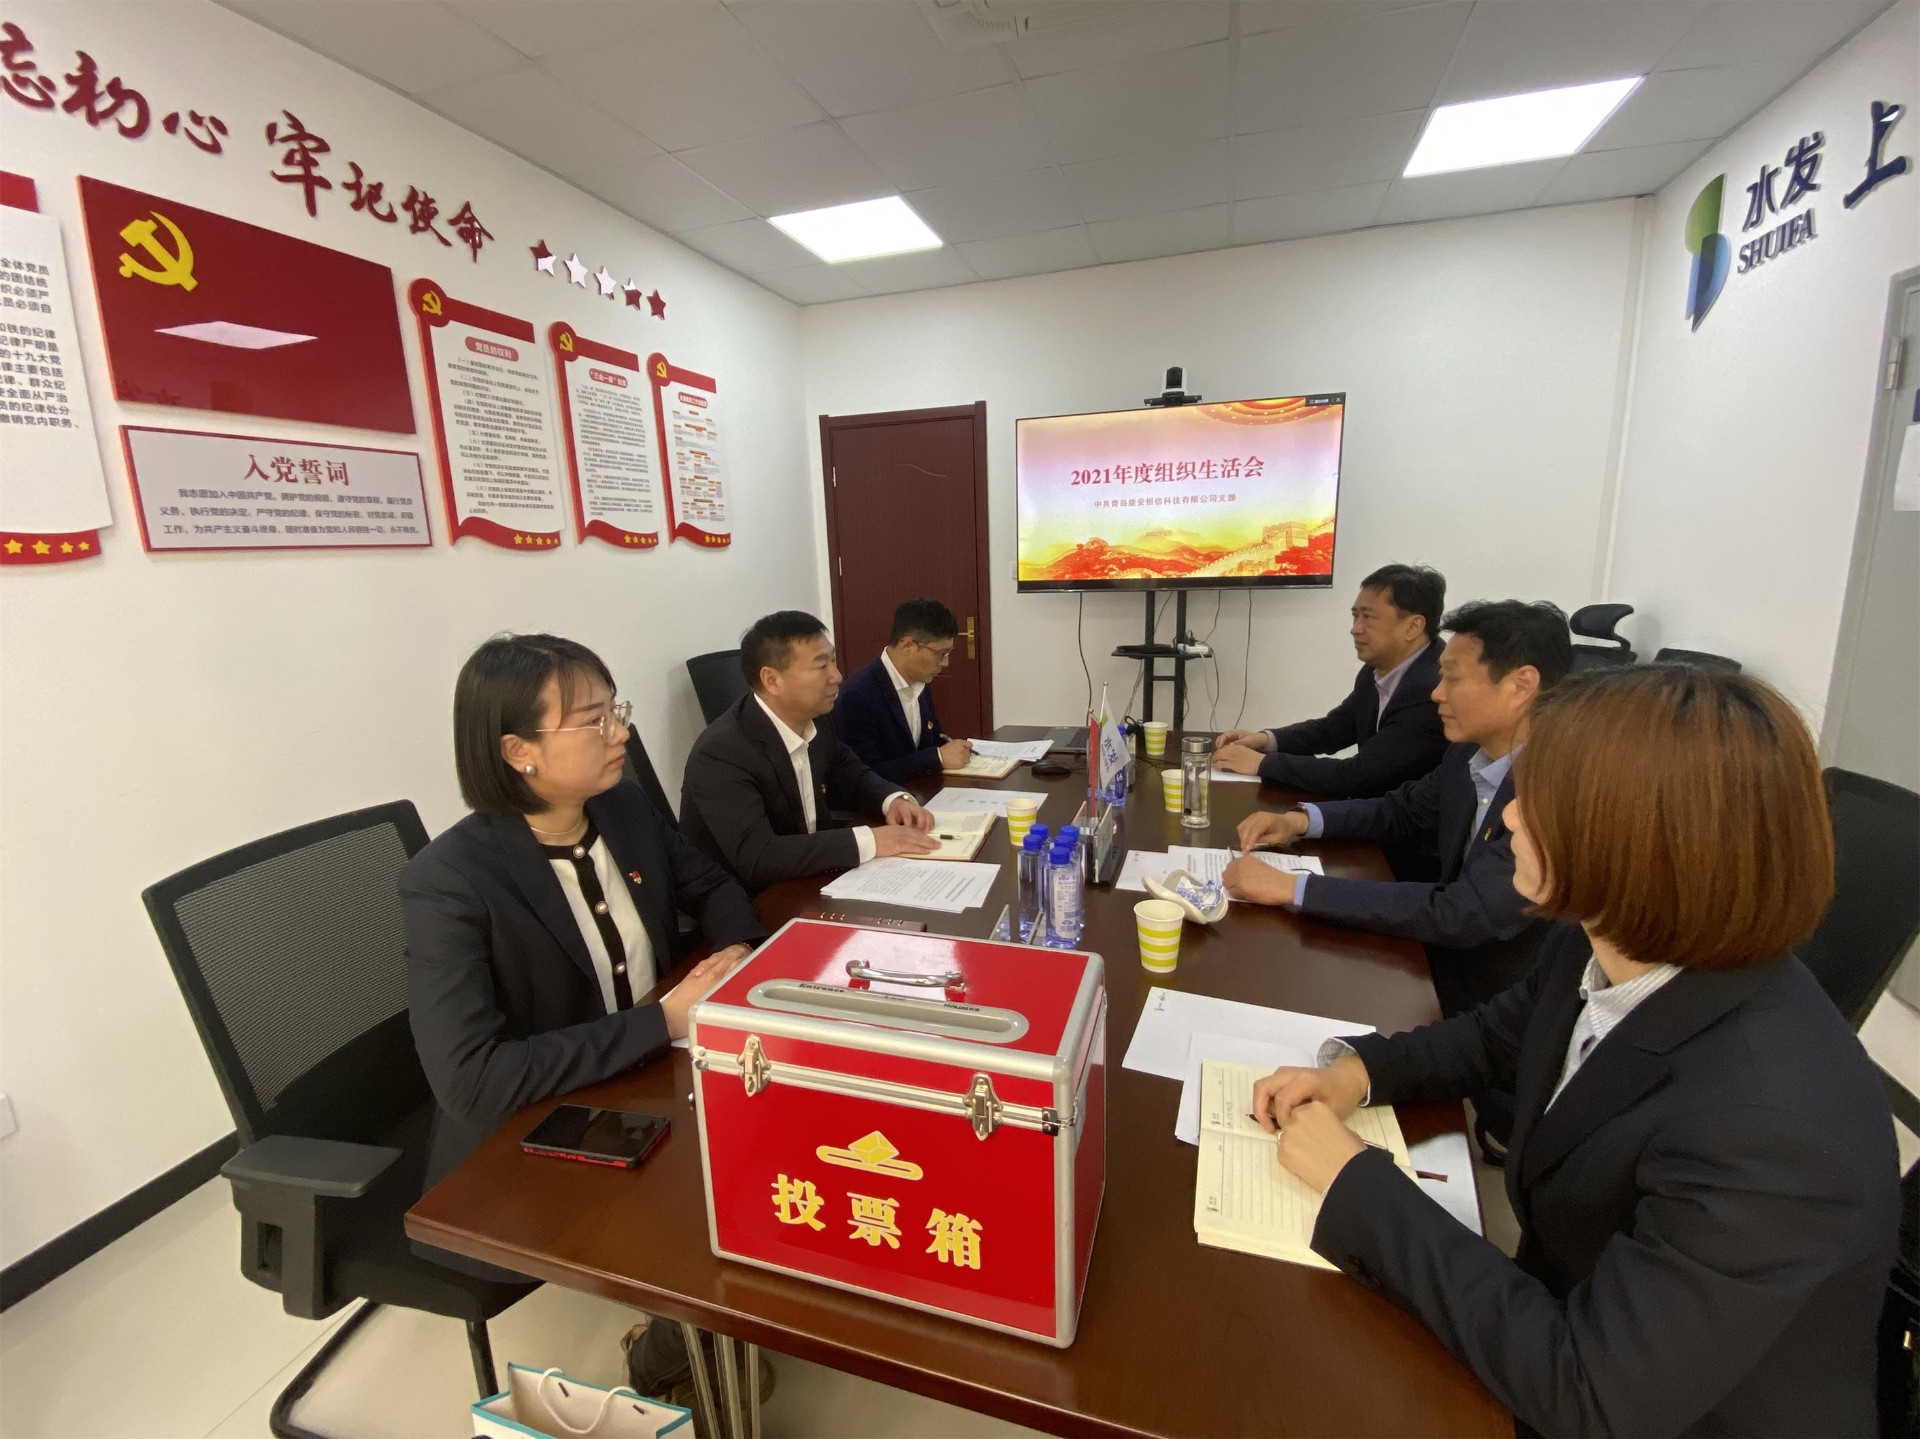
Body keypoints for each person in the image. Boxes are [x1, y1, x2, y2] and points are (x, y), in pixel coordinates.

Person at [1246, 664, 1899, 1438]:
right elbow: (1497, 1034)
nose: (1509, 816)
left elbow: (1589, 1393)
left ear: (1638, 842)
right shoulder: (1598, 940)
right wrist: (1359, 1070)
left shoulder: (1772, 1132)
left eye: (1542, 799)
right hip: (1559, 1314)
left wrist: (1355, 1181)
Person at [403, 635, 765, 1266]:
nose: (620, 732)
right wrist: (663, 1020)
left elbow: (711, 885)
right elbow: (471, 1082)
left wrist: (733, 951)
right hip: (535, 1138)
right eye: (594, 720)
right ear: (519, 751)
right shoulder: (450, 881)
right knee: (703, 1241)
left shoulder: (621, 807)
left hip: (648, 1082)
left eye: (615, 710)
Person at [680, 610, 937, 893]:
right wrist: (872, 841)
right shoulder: (720, 754)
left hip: (812, 877)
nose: (837, 676)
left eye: (833, 660)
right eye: (821, 666)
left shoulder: (816, 718)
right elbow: (759, 857)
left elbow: (850, 772)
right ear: (771, 680)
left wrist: (893, 799)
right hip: (747, 898)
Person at [1213, 563, 1449, 798]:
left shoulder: (1432, 688)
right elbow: (1335, 728)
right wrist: (1266, 740)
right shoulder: (1377, 669)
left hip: (1402, 818)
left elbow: (1360, 776)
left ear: (1413, 627)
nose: (1355, 629)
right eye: (1355, 616)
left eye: (1368, 617)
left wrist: (1263, 763)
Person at [832, 597, 973, 783]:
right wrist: (936, 757)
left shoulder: (920, 680)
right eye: (940, 654)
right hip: (883, 799)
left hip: (919, 791)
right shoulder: (857, 695)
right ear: (907, 645)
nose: (945, 663)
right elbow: (862, 774)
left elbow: (932, 740)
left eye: (948, 653)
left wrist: (953, 748)